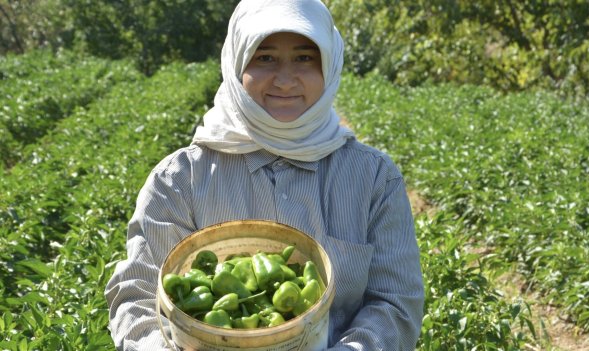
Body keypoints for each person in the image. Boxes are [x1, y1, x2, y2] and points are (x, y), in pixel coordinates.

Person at [104, 0, 425, 349]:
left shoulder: (374, 179)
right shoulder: (179, 180)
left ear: (329, 66)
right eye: (265, 58)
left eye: (304, 58)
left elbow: (394, 304)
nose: (285, 80)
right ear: (237, 62)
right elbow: (138, 296)